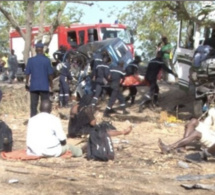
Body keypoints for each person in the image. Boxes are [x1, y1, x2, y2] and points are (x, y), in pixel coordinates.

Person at [68, 94, 132, 138]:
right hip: (81, 131)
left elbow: (74, 119)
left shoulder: (74, 107)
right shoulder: (87, 109)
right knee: (103, 131)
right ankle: (122, 132)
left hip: (71, 131)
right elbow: (93, 123)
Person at [25, 43, 54, 117]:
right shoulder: (47, 60)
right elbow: (50, 74)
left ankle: (33, 120)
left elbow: (27, 73)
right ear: (42, 49)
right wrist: (51, 84)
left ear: (35, 50)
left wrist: (26, 83)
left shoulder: (31, 60)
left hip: (34, 86)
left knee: (33, 106)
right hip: (44, 86)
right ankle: (45, 119)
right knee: (45, 105)